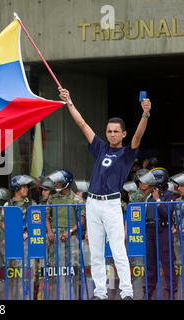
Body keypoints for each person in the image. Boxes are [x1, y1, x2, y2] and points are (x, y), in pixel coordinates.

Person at [59, 87, 151, 300]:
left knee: (118, 251)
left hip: (111, 204)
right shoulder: (100, 147)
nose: (111, 134)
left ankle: (126, 293)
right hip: (92, 203)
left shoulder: (127, 153)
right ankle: (99, 294)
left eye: (116, 131)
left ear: (123, 134)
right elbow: (82, 125)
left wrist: (145, 114)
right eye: (109, 131)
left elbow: (138, 134)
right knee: (97, 252)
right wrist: (69, 101)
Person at [44, 170, 86, 300]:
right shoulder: (52, 198)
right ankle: (55, 295)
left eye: (58, 182)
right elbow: (46, 216)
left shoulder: (76, 199)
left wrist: (71, 231)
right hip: (55, 237)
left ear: (66, 183)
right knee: (53, 268)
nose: (55, 184)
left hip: (71, 237)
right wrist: (50, 232)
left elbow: (82, 220)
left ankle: (72, 295)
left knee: (73, 268)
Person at [140, 168, 177, 300]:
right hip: (150, 231)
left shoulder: (169, 196)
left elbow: (167, 214)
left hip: (163, 231)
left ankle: (171, 293)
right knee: (150, 264)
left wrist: (158, 201)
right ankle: (148, 293)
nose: (150, 185)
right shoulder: (148, 197)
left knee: (167, 263)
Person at [0, 174, 37, 299]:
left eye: (27, 187)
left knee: (28, 273)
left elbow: (37, 223)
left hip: (28, 242)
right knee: (12, 273)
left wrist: (28, 233)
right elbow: (2, 223)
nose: (26, 189)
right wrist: (14, 234)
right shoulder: (8, 204)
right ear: (16, 188)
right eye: (23, 187)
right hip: (13, 243)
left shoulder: (32, 204)